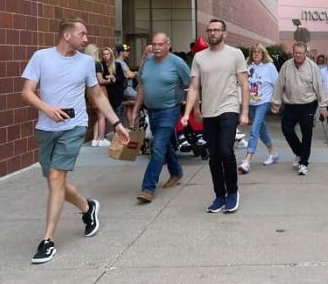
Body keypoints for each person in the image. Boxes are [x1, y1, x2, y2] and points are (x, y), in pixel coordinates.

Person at [21, 18, 130, 264]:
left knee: (57, 178)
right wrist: (46, 108)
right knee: (54, 181)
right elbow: (27, 91)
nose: (87, 39)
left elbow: (97, 95)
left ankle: (47, 240)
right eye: (82, 34)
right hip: (46, 128)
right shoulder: (41, 57)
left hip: (74, 126)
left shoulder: (86, 63)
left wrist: (117, 124)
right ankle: (87, 207)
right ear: (66, 35)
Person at [181, 19, 249, 213]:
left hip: (228, 108)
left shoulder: (235, 54)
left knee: (226, 151)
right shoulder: (199, 57)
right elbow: (194, 87)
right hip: (209, 111)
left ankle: (233, 192)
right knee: (213, 156)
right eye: (209, 30)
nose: (212, 33)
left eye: (216, 30)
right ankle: (219, 195)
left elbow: (244, 84)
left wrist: (244, 112)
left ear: (224, 33)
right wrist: (190, 112)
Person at [130, 32, 191, 203]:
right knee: (162, 144)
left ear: (167, 45)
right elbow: (142, 86)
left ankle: (148, 188)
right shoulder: (147, 62)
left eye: (160, 44)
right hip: (151, 110)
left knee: (157, 147)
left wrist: (194, 110)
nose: (156, 47)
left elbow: (191, 84)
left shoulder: (177, 63)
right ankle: (176, 171)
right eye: (154, 44)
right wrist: (135, 110)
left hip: (169, 110)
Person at [270, 42, 328, 176]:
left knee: (307, 133)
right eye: (295, 52)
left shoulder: (312, 67)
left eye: (300, 53)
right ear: (293, 52)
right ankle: (299, 152)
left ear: (305, 53)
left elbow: (320, 87)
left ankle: (303, 163)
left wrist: (323, 106)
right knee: (287, 130)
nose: (298, 55)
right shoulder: (286, 66)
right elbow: (279, 84)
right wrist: (276, 102)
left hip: (308, 104)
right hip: (290, 104)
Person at [238, 43, 280, 173]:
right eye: (254, 52)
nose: (256, 54)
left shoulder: (270, 67)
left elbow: (277, 85)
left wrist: (276, 102)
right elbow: (241, 83)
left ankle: (247, 160)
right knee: (261, 129)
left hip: (264, 102)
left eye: (259, 52)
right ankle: (273, 153)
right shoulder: (247, 66)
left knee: (255, 128)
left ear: (263, 54)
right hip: (251, 103)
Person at [93, 47, 125, 146]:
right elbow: (101, 80)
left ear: (111, 55)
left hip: (116, 94)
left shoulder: (117, 65)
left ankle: (118, 139)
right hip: (106, 94)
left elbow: (121, 79)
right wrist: (109, 80)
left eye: (107, 54)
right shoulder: (101, 65)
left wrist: (113, 78)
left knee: (117, 116)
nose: (105, 56)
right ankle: (98, 138)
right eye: (103, 54)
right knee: (102, 117)